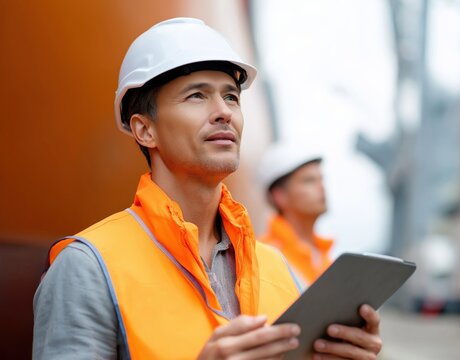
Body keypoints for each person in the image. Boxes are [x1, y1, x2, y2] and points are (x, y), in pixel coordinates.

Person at [33, 18, 382, 359]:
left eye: (231, 97)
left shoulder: (279, 269)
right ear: (144, 130)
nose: (223, 112)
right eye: (197, 96)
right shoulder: (88, 267)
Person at [258, 142, 333, 287]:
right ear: (279, 196)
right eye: (309, 181)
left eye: (321, 179)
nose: (322, 187)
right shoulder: (262, 257)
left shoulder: (326, 258)